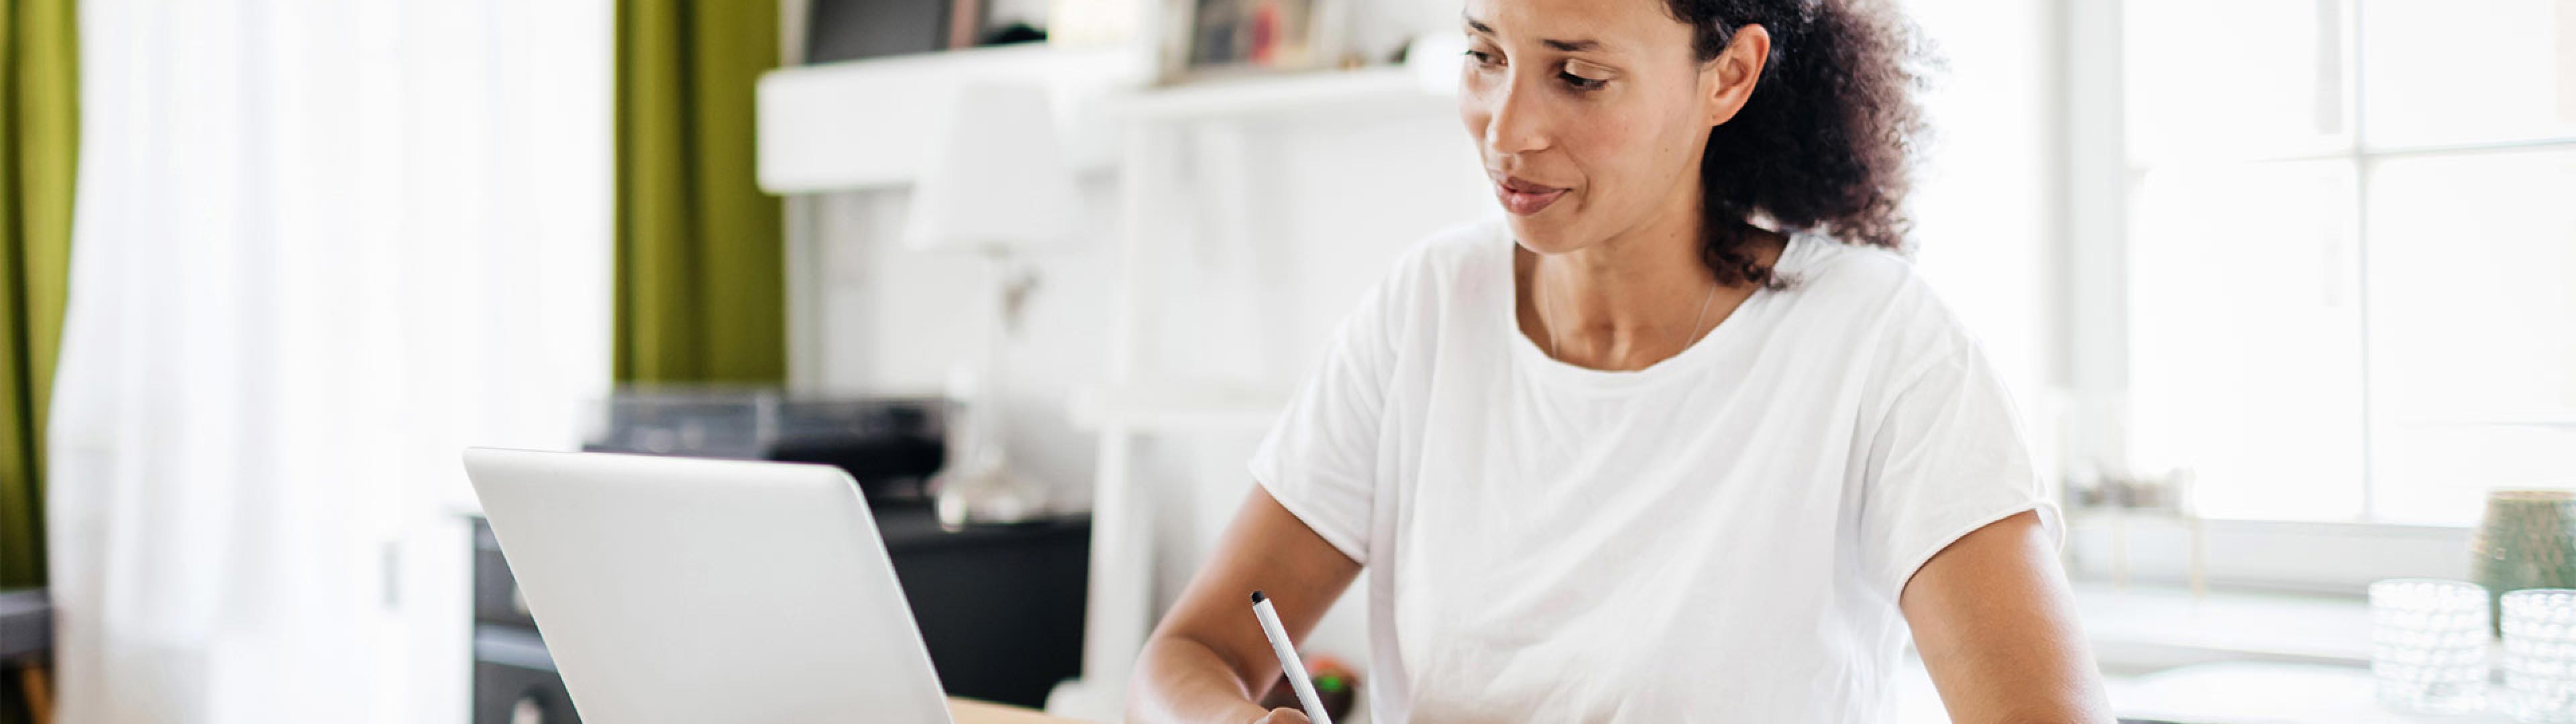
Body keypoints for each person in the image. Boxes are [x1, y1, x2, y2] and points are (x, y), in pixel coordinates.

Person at [1127, 0, 2114, 721]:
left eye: (1578, 76)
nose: (1506, 131)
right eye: (1483, 56)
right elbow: (1192, 652)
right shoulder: (1427, 309)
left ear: (1727, 75)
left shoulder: (1878, 344)